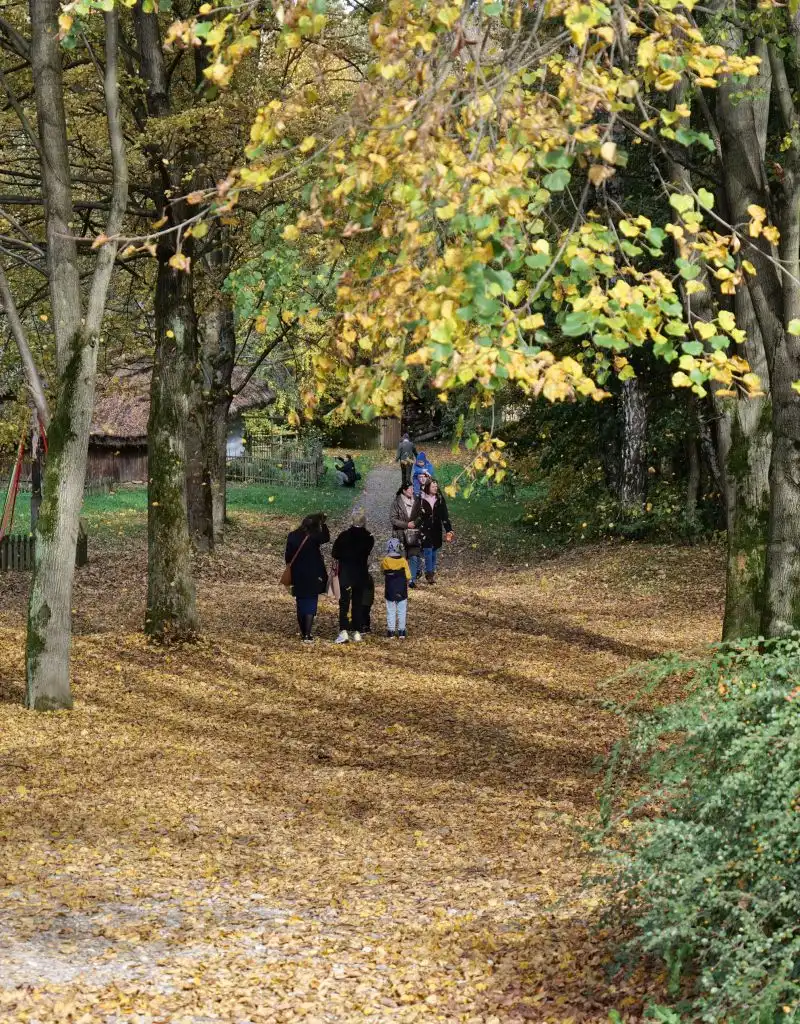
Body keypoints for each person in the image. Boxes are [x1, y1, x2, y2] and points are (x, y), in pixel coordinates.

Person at [285, 512, 330, 642]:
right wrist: (324, 523)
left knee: (300, 601)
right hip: (313, 574)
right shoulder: (315, 536)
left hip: (298, 573)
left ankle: (303, 630)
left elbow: (288, 556)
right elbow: (326, 538)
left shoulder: (292, 536)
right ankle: (307, 634)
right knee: (311, 602)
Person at [331, 510, 374, 643]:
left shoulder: (344, 536)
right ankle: (357, 631)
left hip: (346, 574)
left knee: (344, 603)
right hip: (360, 574)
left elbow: (335, 553)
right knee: (358, 603)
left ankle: (343, 630)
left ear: (352, 521)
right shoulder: (368, 537)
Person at [417, 478, 453, 584]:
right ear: (428, 487)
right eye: (433, 486)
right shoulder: (420, 499)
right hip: (424, 529)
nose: (435, 488)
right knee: (427, 550)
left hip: (436, 529)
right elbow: (415, 514)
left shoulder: (440, 499)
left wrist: (449, 530)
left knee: (433, 551)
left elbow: (445, 516)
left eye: (436, 486)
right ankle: (429, 574)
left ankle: (429, 571)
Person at [390, 482, 422, 587]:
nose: (412, 490)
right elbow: (393, 519)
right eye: (410, 488)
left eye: (413, 488)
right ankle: (401, 579)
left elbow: (421, 515)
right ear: (404, 490)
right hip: (400, 535)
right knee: (402, 558)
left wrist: (415, 523)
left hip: (413, 535)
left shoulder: (417, 501)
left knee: (413, 557)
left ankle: (412, 580)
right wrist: (406, 524)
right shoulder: (396, 502)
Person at [381, 537, 411, 639]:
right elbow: (408, 576)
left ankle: (391, 631)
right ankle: (402, 631)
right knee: (402, 610)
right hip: (402, 589)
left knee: (391, 610)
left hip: (390, 589)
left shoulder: (385, 560)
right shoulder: (403, 561)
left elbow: (382, 571)